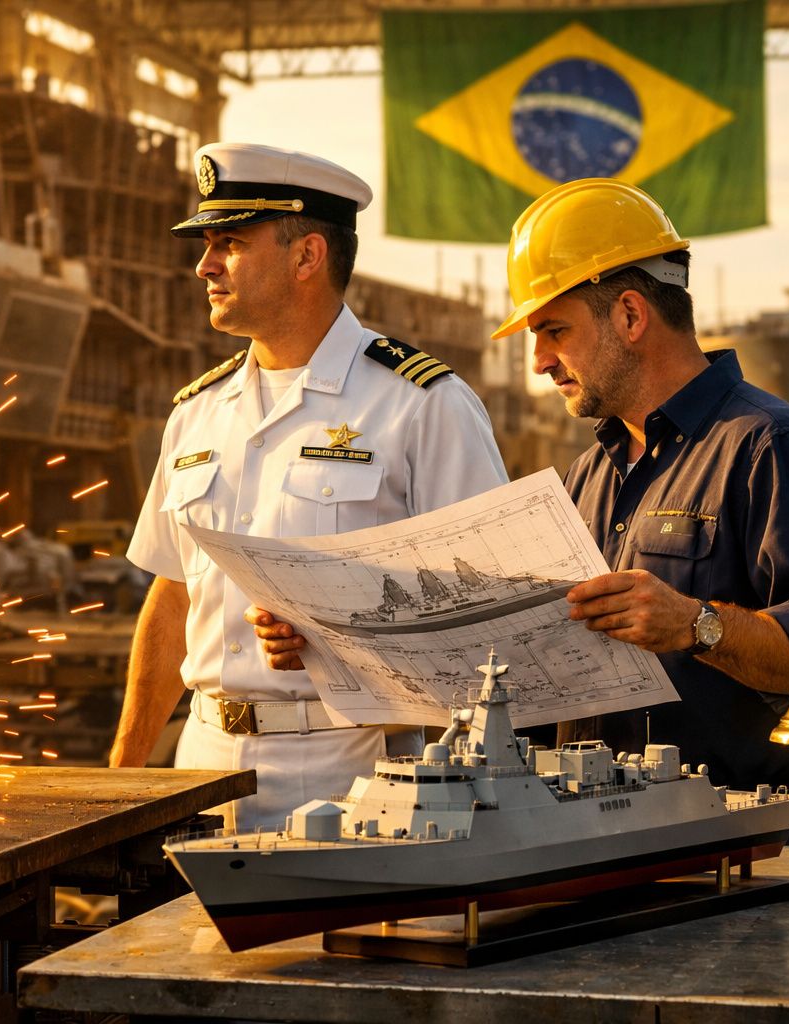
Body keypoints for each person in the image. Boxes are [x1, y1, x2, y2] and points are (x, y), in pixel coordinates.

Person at [255, 178, 789, 844]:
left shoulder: (772, 448)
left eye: (554, 330)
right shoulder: (587, 477)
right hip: (595, 841)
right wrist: (337, 647)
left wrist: (696, 625)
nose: (541, 360)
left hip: (744, 848)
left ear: (631, 316)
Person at [108, 142, 509, 830]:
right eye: (207, 245)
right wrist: (120, 780)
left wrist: (343, 627)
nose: (204, 266)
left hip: (350, 767)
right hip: (202, 761)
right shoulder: (197, 412)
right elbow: (172, 594)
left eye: (230, 243)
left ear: (307, 256)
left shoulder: (420, 403)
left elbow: (496, 603)